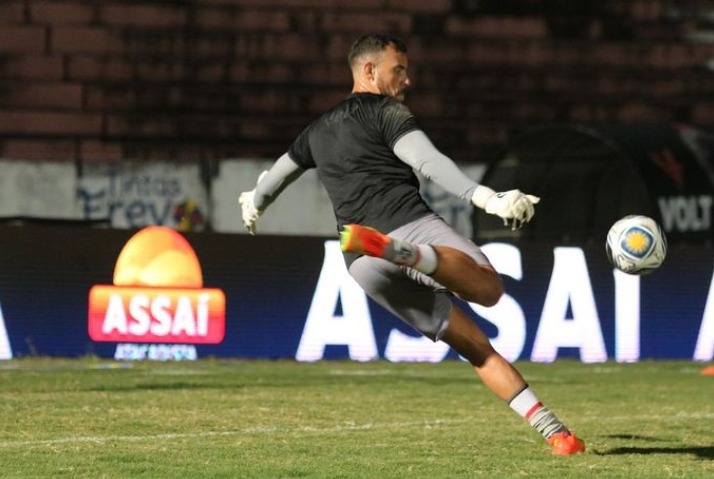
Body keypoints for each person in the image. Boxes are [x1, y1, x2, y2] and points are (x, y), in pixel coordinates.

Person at [239, 34, 585, 456]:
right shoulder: (384, 111)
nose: (407, 80)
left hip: (360, 261)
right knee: (490, 289)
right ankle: (410, 254)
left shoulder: (316, 131)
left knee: (475, 348)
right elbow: (428, 162)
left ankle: (557, 435)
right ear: (369, 71)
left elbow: (278, 174)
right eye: (398, 69)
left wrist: (254, 203)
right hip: (406, 227)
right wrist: (488, 198)